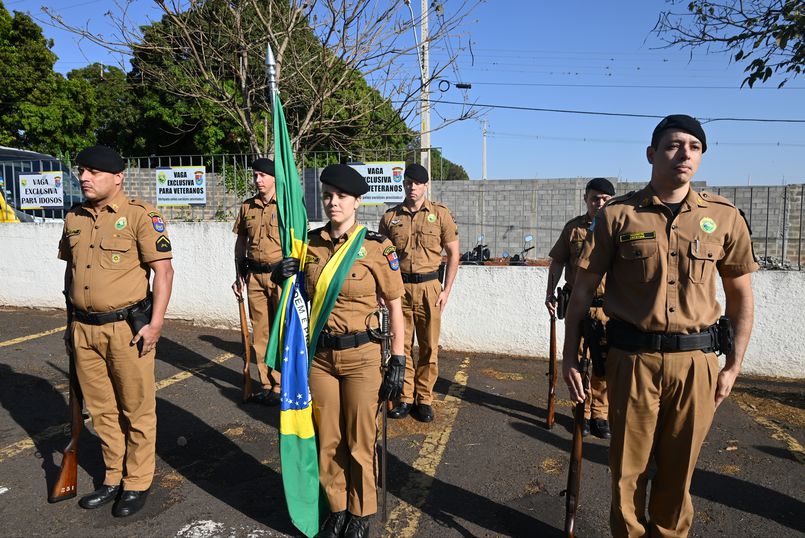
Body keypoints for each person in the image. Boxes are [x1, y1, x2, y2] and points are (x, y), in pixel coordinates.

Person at [562, 115, 756, 537]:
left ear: (701, 157)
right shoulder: (618, 216)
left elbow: (741, 298)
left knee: (678, 475)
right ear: (651, 154)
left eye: (694, 146)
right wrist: (569, 357)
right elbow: (581, 293)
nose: (684, 154)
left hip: (697, 365)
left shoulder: (724, 218)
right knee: (627, 473)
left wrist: (733, 366)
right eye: (673, 145)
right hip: (632, 361)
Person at [58, 145, 174, 517]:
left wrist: (155, 325)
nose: (84, 177)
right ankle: (112, 476)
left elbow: (164, 272)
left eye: (94, 171)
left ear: (118, 177)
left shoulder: (141, 215)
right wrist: (69, 322)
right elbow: (71, 271)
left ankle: (137, 481)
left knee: (136, 409)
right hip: (83, 329)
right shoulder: (74, 217)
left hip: (126, 329)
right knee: (102, 410)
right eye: (81, 170)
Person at [300, 164, 406, 538]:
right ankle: (338, 507)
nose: (333, 202)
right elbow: (299, 301)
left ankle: (361, 512)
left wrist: (399, 359)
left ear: (357, 201)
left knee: (361, 440)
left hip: (363, 357)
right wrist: (285, 274)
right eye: (328, 195)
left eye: (341, 196)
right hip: (321, 359)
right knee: (327, 438)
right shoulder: (308, 245)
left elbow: (395, 307)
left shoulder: (377, 247)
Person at [378, 163, 460, 422]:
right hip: (398, 288)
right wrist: (382, 288)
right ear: (403, 184)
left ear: (426, 186)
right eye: (408, 182)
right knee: (400, 345)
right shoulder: (391, 217)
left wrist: (446, 290)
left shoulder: (441, 214)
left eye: (417, 183)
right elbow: (381, 256)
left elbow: (454, 254)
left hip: (429, 289)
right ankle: (405, 396)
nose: (412, 187)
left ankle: (424, 399)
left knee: (428, 347)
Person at [546, 177, 615, 439]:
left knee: (604, 364)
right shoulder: (573, 229)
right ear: (586, 199)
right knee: (579, 361)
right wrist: (550, 293)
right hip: (578, 306)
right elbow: (558, 262)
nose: (599, 203)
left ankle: (600, 414)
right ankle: (582, 412)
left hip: (609, 308)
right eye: (594, 198)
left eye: (605, 199)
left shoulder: (619, 228)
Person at [232, 158, 284, 405]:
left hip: (279, 277)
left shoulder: (286, 205)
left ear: (274, 178)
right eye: (255, 176)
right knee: (260, 332)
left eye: (263, 175)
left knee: (281, 331)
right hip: (254, 277)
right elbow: (241, 243)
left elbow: (298, 241)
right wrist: (238, 274)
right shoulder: (247, 207)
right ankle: (266, 382)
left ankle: (282, 383)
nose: (258, 180)